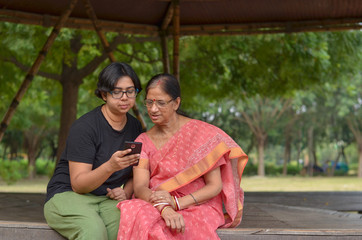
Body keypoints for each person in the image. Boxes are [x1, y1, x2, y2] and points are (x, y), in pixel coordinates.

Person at [116, 73, 248, 239]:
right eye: (149, 102)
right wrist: (165, 207)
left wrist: (177, 203)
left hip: (198, 204)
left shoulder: (202, 134)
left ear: (176, 103)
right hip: (157, 202)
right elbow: (140, 187)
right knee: (137, 212)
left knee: (181, 226)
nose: (153, 109)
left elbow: (214, 186)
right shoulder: (142, 141)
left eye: (161, 103)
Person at [44, 62, 143, 240]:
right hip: (67, 195)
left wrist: (126, 192)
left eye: (130, 91)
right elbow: (79, 185)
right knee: (94, 232)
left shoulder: (135, 127)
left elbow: (136, 170)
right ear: (104, 94)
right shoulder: (85, 127)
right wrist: (110, 166)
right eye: (117, 91)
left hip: (105, 199)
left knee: (128, 227)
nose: (124, 97)